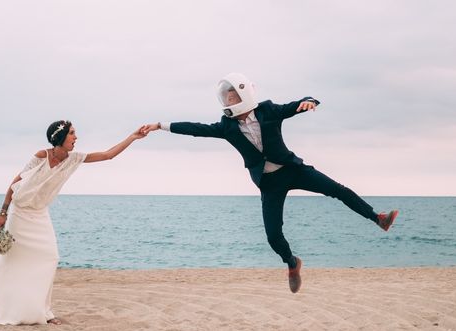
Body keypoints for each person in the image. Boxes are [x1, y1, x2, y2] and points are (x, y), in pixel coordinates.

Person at [142, 73, 398, 294]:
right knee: (273, 235)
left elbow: (295, 105)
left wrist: (309, 102)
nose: (228, 101)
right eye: (226, 97)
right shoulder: (226, 127)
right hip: (269, 183)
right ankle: (292, 263)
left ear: (244, 94)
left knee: (338, 191)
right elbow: (196, 128)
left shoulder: (268, 110)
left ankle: (378, 218)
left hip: (293, 170)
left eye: (232, 96)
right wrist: (160, 125)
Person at [0, 121, 147, 325]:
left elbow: (107, 155)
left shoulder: (74, 158)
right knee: (11, 262)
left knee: (50, 257)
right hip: (20, 213)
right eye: (72, 134)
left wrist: (132, 137)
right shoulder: (42, 156)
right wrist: (3, 212)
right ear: (60, 137)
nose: (76, 138)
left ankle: (42, 311)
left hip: (40, 215)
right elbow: (15, 184)